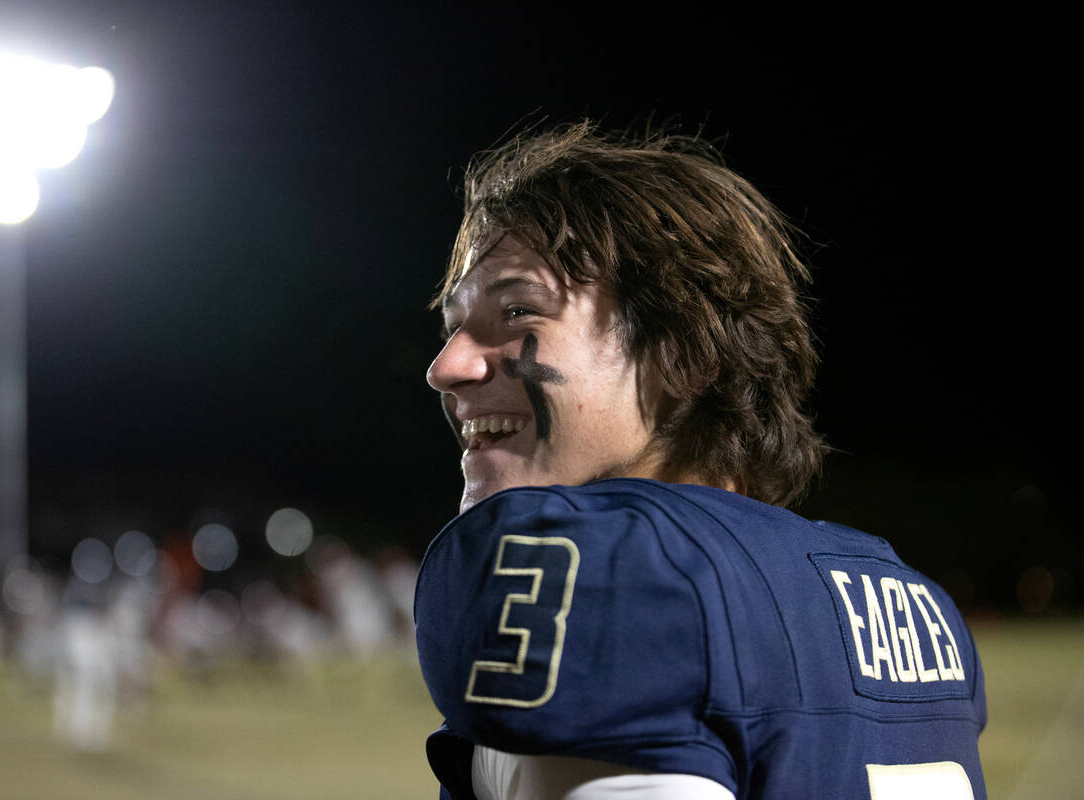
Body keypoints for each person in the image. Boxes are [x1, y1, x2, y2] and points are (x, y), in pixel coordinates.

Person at [414, 122, 986, 800]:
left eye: (518, 312)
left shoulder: (608, 576)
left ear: (683, 356)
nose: (445, 367)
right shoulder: (914, 604)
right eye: (453, 326)